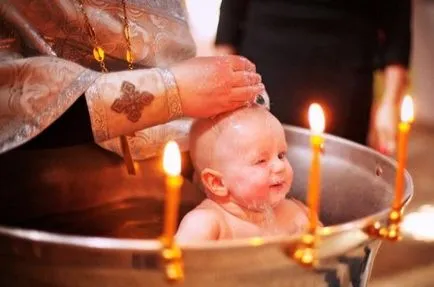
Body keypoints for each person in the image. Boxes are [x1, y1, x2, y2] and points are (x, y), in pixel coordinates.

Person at [0, 0, 265, 159]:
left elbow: (170, 46)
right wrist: (172, 91)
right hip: (44, 170)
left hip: (177, 157)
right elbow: (13, 101)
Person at [215, 0, 411, 155]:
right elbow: (229, 21)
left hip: (346, 81)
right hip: (263, 73)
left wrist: (391, 101)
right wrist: (224, 92)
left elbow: (397, 25)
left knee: (334, 183)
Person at [175, 105, 311, 242]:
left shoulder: (294, 214)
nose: (280, 166)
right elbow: (177, 261)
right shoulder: (206, 224)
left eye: (281, 155)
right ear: (217, 183)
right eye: (261, 161)